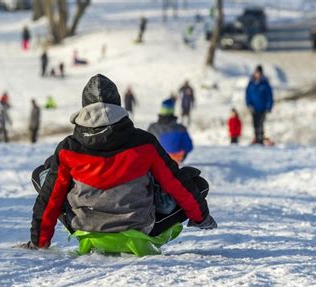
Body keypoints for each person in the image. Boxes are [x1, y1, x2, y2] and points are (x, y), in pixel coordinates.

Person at [20, 74, 216, 251]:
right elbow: (175, 184)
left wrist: (39, 241)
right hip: (138, 226)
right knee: (195, 185)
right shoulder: (143, 142)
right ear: (119, 105)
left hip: (86, 227)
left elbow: (50, 199)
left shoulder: (69, 148)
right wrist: (201, 218)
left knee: (44, 176)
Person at [148, 97, 193, 163]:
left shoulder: (153, 128)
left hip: (158, 159)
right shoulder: (181, 128)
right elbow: (189, 146)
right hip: (177, 158)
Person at [245, 65, 273, 145]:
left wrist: (269, 106)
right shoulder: (251, 83)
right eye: (257, 72)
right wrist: (249, 104)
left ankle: (260, 139)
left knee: (261, 124)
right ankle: (256, 138)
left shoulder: (265, 84)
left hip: (263, 108)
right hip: (254, 108)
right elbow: (247, 95)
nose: (258, 74)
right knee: (255, 124)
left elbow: (269, 96)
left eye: (259, 73)